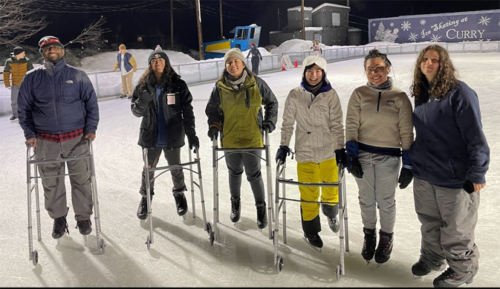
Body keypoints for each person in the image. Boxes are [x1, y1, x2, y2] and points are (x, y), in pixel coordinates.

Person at [408, 45, 489, 288]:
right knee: (429, 221)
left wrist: (477, 171)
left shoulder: (460, 93)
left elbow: (475, 135)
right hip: (425, 172)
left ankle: (462, 268)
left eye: (435, 60)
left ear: (445, 64)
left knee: (456, 227)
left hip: (454, 176)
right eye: (425, 59)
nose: (429, 63)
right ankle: (433, 258)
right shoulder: (422, 92)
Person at [18, 35, 100, 239]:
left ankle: (83, 218)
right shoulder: (32, 78)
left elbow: (91, 104)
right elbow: (23, 109)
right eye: (46, 49)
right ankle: (59, 219)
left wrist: (91, 129)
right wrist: (29, 134)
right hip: (46, 141)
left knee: (81, 180)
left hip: (77, 139)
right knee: (51, 182)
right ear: (42, 53)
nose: (51, 50)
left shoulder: (78, 75)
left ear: (62, 51)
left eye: (55, 47)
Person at [345, 49, 414, 264]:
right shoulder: (358, 94)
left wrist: (409, 164)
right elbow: (351, 125)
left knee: (385, 201)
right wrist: (352, 156)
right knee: (366, 199)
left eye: (379, 68)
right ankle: (369, 235)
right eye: (370, 69)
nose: (375, 72)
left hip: (389, 158)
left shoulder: (400, 97)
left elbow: (406, 132)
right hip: (363, 155)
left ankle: (386, 237)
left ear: (388, 68)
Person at [276, 55, 345, 249]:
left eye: (317, 71)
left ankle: (331, 215)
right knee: (308, 193)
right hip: (305, 151)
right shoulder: (295, 94)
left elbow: (337, 124)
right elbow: (288, 123)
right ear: (304, 72)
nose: (313, 75)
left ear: (323, 73)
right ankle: (311, 230)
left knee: (331, 189)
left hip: (328, 151)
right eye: (309, 71)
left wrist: (340, 148)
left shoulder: (331, 95)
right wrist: (283, 145)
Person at [205, 48, 278, 230]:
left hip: (252, 138)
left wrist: (269, 122)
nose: (233, 65)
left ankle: (261, 208)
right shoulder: (219, 87)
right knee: (234, 173)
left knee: (254, 175)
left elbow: (272, 103)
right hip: (230, 138)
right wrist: (214, 125)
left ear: (243, 64)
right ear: (226, 66)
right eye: (229, 63)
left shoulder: (256, 83)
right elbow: (212, 109)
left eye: (236, 61)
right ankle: (235, 203)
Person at [131, 45, 199, 220]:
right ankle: (146, 197)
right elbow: (136, 112)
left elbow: (187, 110)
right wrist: (143, 100)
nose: (158, 62)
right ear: (150, 65)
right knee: (148, 170)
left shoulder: (178, 84)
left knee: (175, 168)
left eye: (161, 59)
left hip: (173, 135)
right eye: (154, 60)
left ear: (166, 63)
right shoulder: (143, 86)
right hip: (150, 136)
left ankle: (179, 194)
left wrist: (191, 133)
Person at [3, 46, 34, 121]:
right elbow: (6, 73)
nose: (24, 54)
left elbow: (32, 72)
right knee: (14, 101)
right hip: (15, 84)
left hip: (25, 84)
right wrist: (7, 84)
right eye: (23, 52)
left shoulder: (27, 60)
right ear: (18, 54)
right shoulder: (9, 61)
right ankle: (15, 115)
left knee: (28, 100)